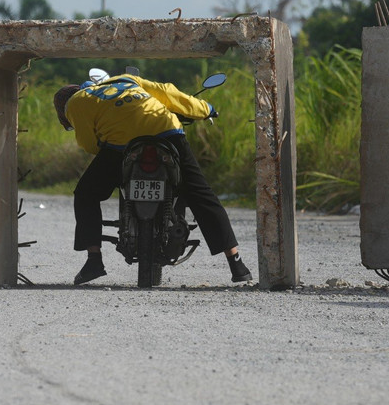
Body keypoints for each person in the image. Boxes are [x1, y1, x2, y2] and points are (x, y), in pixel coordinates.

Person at [53, 73, 253, 286]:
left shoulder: (75, 103)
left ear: (63, 110)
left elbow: (88, 144)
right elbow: (169, 93)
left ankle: (94, 260)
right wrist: (206, 109)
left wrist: (107, 141)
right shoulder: (126, 80)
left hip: (122, 146)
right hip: (166, 132)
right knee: (201, 194)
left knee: (86, 193)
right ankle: (236, 263)